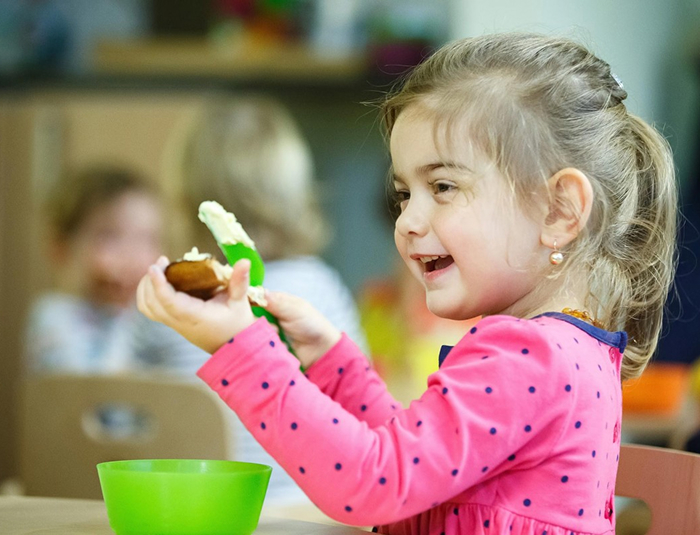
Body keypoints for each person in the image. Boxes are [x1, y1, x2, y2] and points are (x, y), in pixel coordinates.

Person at [137, 33, 678, 534]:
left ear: (559, 211)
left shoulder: (527, 355)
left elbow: (376, 483)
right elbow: (418, 463)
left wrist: (242, 351)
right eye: (404, 194)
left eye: (443, 186)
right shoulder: (563, 349)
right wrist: (331, 364)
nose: (408, 221)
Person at [170, 95, 368, 508]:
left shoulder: (171, 300)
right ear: (295, 195)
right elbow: (357, 397)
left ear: (187, 198)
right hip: (304, 508)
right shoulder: (318, 285)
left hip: (186, 505)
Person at [25, 164, 207, 375]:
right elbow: (90, 389)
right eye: (110, 238)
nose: (132, 257)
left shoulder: (158, 323)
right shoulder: (54, 316)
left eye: (148, 239)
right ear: (60, 247)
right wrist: (140, 318)